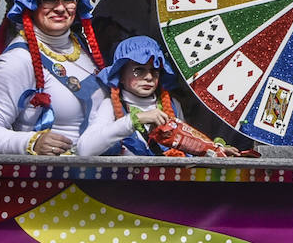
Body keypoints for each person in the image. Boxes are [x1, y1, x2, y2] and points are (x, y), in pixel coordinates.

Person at [0, 0, 107, 155]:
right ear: (32, 5)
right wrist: (31, 143)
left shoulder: (84, 49)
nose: (60, 8)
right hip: (50, 180)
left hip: (101, 179)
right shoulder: (17, 60)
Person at [76, 36, 241, 157]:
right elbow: (85, 150)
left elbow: (189, 145)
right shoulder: (110, 105)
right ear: (121, 74)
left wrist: (215, 150)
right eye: (139, 70)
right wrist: (135, 120)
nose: (148, 77)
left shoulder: (173, 105)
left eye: (154, 71)